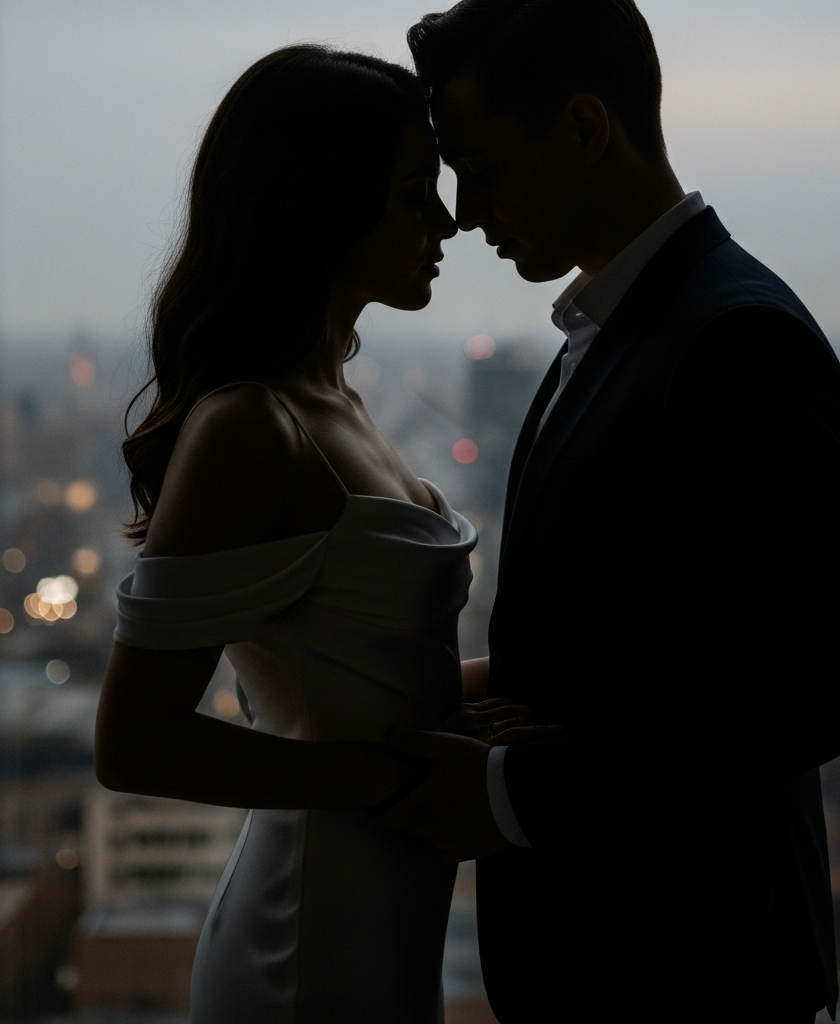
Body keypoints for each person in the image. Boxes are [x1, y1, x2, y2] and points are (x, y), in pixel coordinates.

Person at [380, 2, 840, 1021]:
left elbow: (805, 698)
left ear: (584, 130)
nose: (465, 210)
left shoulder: (740, 340)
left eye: (478, 164)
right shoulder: (621, 325)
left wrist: (509, 792)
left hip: (699, 970)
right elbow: (639, 645)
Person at [94, 44, 525, 1023]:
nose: (448, 220)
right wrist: (391, 775)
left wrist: (536, 691)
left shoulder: (336, 401)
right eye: (417, 192)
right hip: (305, 934)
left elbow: (359, 683)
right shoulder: (255, 426)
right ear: (324, 207)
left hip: (375, 906)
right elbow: (133, 743)